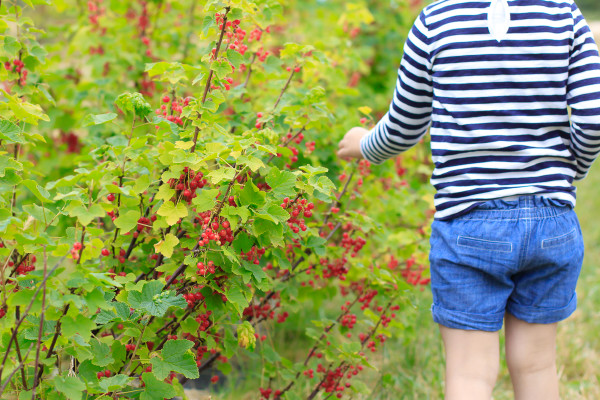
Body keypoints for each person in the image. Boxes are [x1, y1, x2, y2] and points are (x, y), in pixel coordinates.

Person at [337, 0, 600, 398]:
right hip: (552, 222)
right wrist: (569, 174)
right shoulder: (563, 15)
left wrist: (364, 144)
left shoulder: (437, 19)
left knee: (470, 376)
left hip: (470, 222)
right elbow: (593, 121)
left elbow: (406, 124)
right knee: (537, 364)